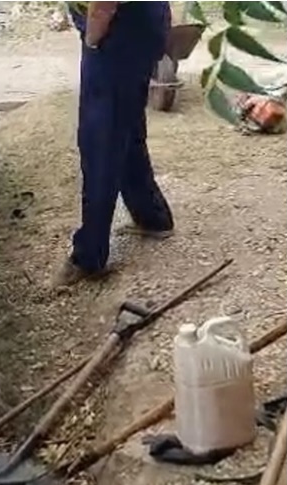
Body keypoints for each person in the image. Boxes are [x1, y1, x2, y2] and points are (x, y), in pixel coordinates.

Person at [56, 1, 175, 286]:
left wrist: (93, 39)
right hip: (139, 23)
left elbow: (103, 6)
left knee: (101, 140)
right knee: (126, 123)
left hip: (116, 34)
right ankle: (152, 216)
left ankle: (89, 255)